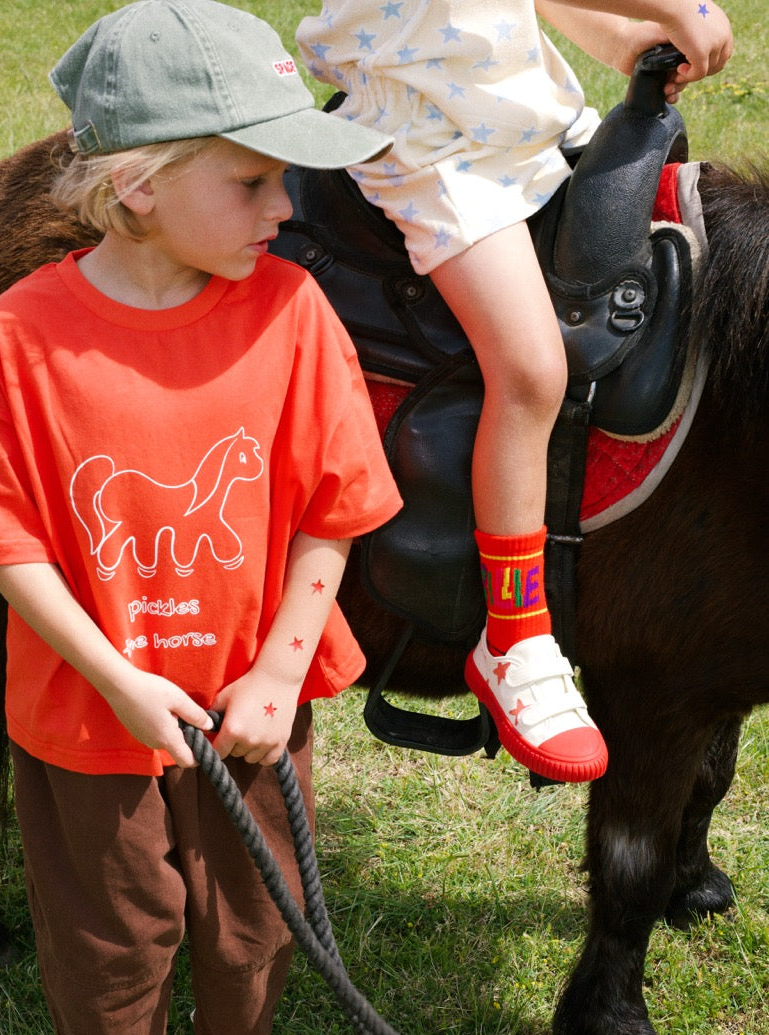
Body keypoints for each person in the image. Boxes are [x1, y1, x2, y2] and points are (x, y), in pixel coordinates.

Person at [0, 0, 401, 1035]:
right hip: (96, 706)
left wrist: (277, 674)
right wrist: (115, 675)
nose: (283, 210)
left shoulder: (291, 314)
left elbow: (333, 512)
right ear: (137, 186)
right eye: (251, 181)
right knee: (118, 914)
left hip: (255, 694)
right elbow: (3, 545)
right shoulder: (21, 339)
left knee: (256, 894)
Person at [296, 0, 733, 783]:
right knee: (530, 370)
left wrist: (623, 35)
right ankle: (514, 632)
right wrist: (672, 7)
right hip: (434, 142)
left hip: (512, 116)